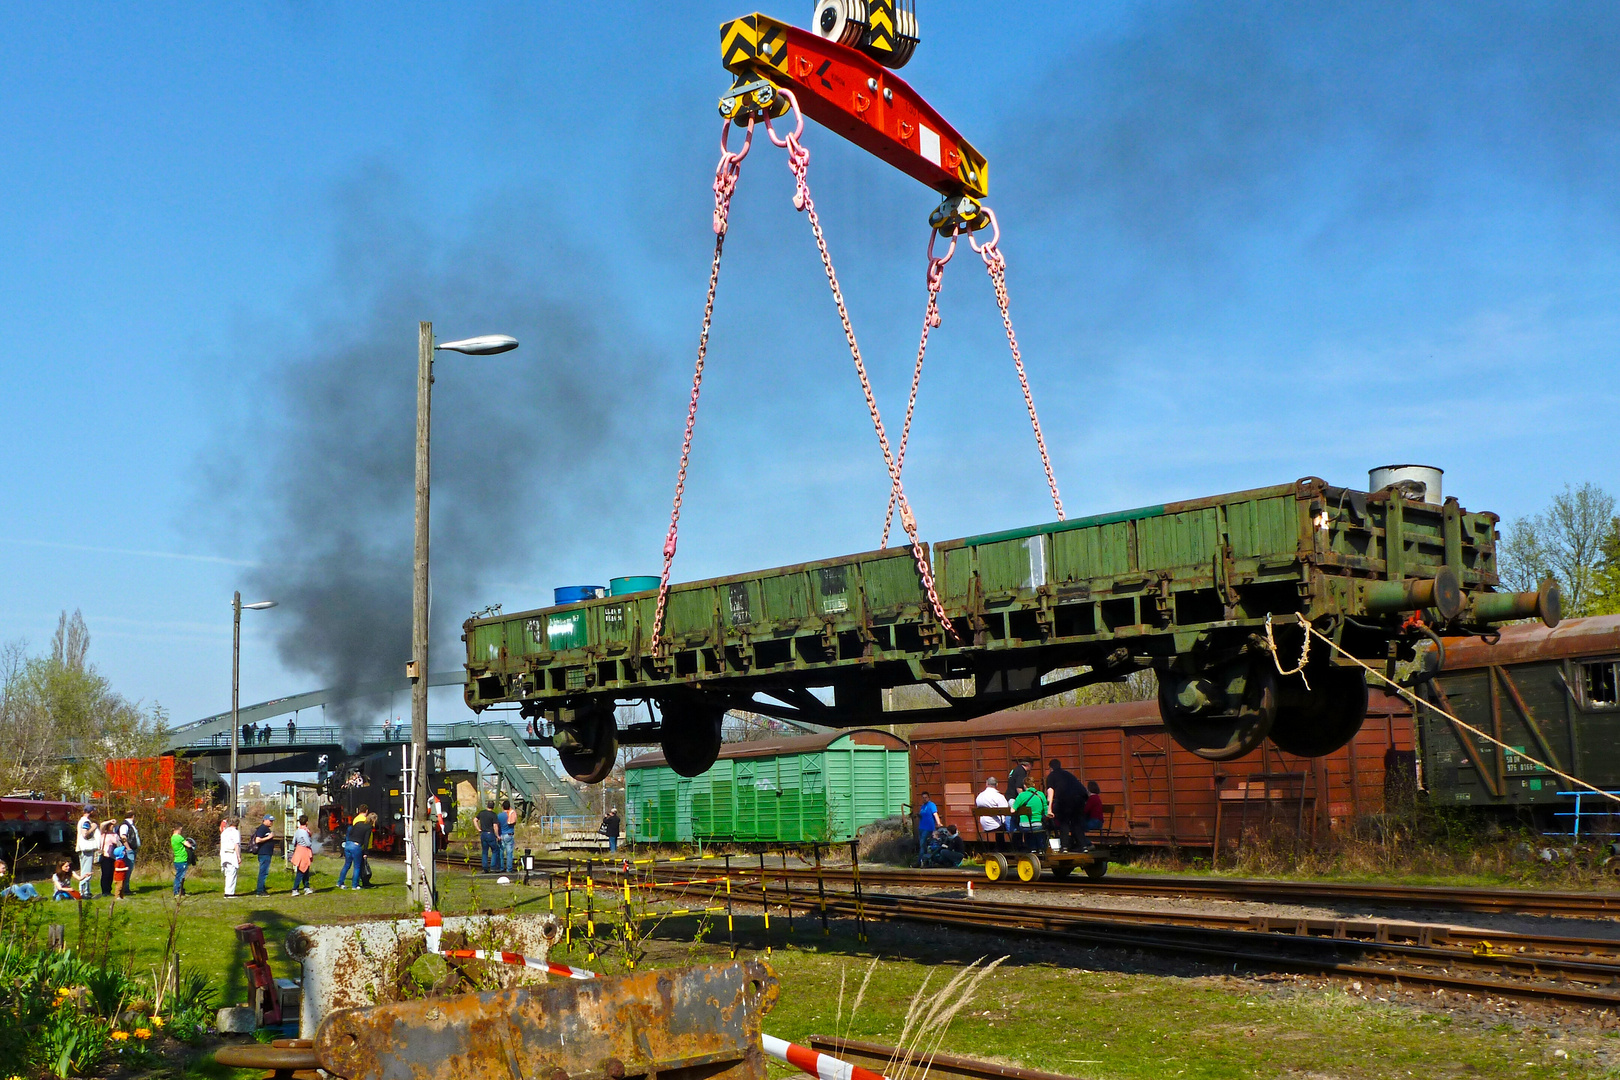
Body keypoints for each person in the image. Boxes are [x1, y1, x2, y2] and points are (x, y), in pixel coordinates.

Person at [1045, 759, 1087, 852]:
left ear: (1050, 768)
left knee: (1064, 823)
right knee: (1076, 823)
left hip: (1065, 800)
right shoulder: (1068, 774)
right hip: (1080, 799)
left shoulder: (1051, 776)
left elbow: (1050, 792)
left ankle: (1064, 847)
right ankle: (1083, 846)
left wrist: (1049, 808)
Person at [1009, 782, 1047, 852]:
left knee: (1027, 830)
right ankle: (1041, 849)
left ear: (1024, 786)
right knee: (1038, 830)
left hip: (1024, 825)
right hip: (1038, 824)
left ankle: (1032, 849)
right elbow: (1046, 811)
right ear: (1034, 784)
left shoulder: (1022, 795)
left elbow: (1012, 810)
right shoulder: (1041, 794)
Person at [338, 805, 370, 889]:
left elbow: (350, 832)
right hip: (356, 846)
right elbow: (366, 840)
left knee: (347, 865)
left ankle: (340, 882)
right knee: (357, 867)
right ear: (366, 811)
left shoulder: (356, 821)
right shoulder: (367, 826)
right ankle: (355, 885)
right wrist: (366, 852)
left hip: (349, 844)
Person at [74, 809, 99, 898]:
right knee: (86, 870)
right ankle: (83, 892)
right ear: (91, 812)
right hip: (86, 849)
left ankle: (86, 891)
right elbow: (85, 834)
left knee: (85, 869)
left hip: (83, 848)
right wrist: (93, 827)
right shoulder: (86, 821)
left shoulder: (81, 820)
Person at [251, 815, 277, 895]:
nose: (271, 822)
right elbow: (258, 840)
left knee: (264, 871)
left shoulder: (266, 829)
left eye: (272, 821)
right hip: (264, 853)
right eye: (270, 820)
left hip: (267, 853)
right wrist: (269, 837)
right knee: (263, 872)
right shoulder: (262, 828)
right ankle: (260, 890)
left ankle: (262, 888)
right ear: (265, 820)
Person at [290, 815, 315, 894]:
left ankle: (306, 887)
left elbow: (294, 842)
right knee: (301, 871)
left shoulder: (298, 830)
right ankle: (295, 889)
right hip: (304, 851)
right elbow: (308, 843)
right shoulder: (304, 831)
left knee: (306, 870)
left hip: (298, 850)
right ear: (306, 822)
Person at [169, 825, 195, 896]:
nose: (181, 832)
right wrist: (192, 845)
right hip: (181, 859)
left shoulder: (173, 837)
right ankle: (177, 892)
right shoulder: (178, 837)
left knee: (181, 876)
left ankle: (181, 892)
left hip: (177, 859)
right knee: (180, 877)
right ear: (178, 830)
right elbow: (188, 845)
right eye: (181, 830)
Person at [1080, 780, 1105, 850]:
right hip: (1098, 821)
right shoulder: (1096, 797)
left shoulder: (1092, 798)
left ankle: (1088, 844)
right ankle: (1084, 844)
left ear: (1089, 789)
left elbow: (1085, 810)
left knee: (1077, 827)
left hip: (1095, 822)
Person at [219, 818, 241, 897]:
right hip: (231, 853)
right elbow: (236, 845)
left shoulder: (224, 832)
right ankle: (229, 893)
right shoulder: (235, 832)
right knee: (232, 873)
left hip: (224, 854)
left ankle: (227, 890)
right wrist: (238, 857)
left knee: (227, 873)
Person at [916, 793, 940, 862]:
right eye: (923, 797)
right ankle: (925, 860)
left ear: (929, 798)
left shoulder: (931, 805)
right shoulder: (922, 806)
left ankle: (919, 861)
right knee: (923, 845)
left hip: (928, 828)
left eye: (926, 797)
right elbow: (922, 816)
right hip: (921, 828)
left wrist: (938, 823)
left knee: (923, 844)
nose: (924, 799)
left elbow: (935, 814)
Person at [476, 801, 499, 873]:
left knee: (484, 851)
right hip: (490, 834)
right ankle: (492, 867)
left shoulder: (482, 813)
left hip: (483, 834)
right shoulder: (493, 815)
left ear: (487, 806)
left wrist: (478, 829)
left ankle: (485, 867)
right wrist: (497, 835)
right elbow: (495, 826)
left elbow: (475, 820)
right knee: (495, 850)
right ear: (493, 807)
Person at [99, 819, 118, 897]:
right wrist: (110, 821)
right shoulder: (103, 833)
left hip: (112, 856)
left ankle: (109, 890)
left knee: (111, 874)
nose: (112, 826)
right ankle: (104, 891)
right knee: (105, 874)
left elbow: (118, 843)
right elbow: (101, 824)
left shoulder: (115, 834)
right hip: (105, 855)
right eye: (111, 825)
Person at [498, 799, 517, 872]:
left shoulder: (499, 815)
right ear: (509, 807)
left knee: (501, 852)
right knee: (509, 853)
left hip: (501, 835)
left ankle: (501, 867)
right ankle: (509, 869)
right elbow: (514, 823)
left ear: (502, 807)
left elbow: (497, 825)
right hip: (509, 835)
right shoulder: (511, 814)